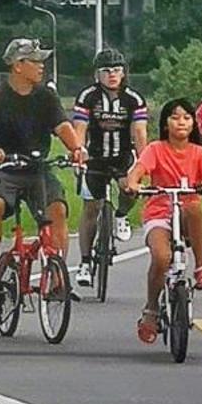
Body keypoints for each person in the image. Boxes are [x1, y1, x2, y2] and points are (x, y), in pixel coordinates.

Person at [0, 38, 87, 301]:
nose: (41, 67)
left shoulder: (46, 97)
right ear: (18, 66)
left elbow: (62, 127)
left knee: (57, 209)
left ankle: (58, 277)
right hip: (4, 169)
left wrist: (77, 149)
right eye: (35, 61)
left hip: (37, 169)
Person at [123, 97, 202, 344]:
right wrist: (134, 184)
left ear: (193, 124)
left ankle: (201, 267)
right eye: (175, 117)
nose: (181, 122)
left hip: (187, 213)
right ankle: (151, 309)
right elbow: (136, 173)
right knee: (161, 257)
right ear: (166, 123)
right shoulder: (155, 149)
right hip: (159, 211)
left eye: (187, 118)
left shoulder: (200, 153)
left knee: (195, 208)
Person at [72, 48, 149, 286]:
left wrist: (144, 162)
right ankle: (85, 262)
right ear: (97, 75)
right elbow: (80, 129)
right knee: (91, 208)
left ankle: (122, 215)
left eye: (117, 70)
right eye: (106, 71)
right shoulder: (88, 96)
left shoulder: (133, 99)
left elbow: (139, 132)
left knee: (131, 189)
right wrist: (78, 153)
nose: (112, 75)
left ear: (124, 73)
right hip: (95, 156)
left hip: (122, 156)